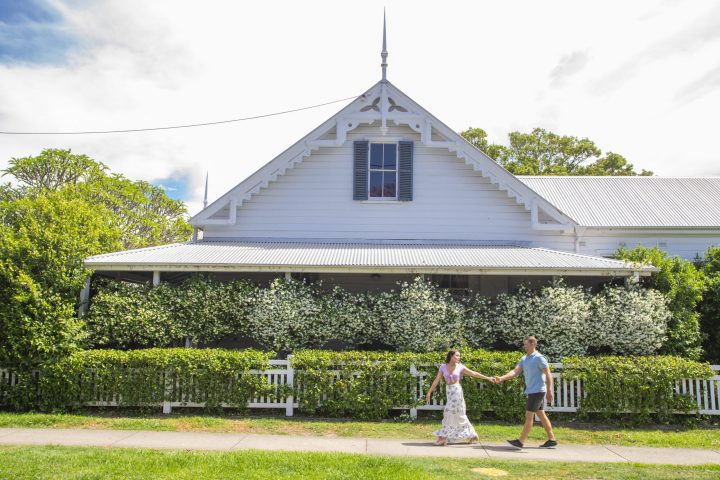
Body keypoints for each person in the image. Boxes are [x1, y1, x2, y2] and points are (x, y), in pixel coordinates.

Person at [494, 335, 558, 449]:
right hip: (532, 391)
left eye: (526, 344)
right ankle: (551, 439)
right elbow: (515, 371)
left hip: (538, 391)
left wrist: (549, 391)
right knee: (541, 414)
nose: (524, 346)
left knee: (529, 416)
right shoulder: (524, 358)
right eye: (524, 345)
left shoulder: (539, 358)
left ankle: (520, 441)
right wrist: (502, 378)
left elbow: (548, 374)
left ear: (533, 344)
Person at [425, 349, 493, 446]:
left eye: (459, 356)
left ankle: (443, 438)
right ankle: (472, 435)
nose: (459, 357)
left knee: (448, 412)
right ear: (451, 356)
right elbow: (436, 380)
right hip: (449, 392)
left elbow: (474, 373)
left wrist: (488, 378)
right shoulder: (443, 367)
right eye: (457, 355)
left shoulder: (460, 367)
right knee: (459, 415)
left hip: (457, 392)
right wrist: (429, 392)